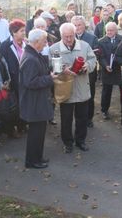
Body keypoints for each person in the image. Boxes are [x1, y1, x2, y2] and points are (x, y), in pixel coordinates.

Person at [49, 23, 96, 153]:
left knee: (82, 118)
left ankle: (81, 140)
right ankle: (67, 142)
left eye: (71, 36)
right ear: (61, 35)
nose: (69, 39)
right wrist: (63, 69)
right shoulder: (54, 48)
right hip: (65, 90)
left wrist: (87, 66)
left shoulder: (85, 46)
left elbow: (93, 60)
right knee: (66, 119)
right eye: (66, 37)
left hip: (82, 87)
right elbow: (50, 66)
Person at [19, 29, 57, 169]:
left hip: (38, 101)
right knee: (36, 134)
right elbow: (30, 82)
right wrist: (50, 78)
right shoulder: (30, 58)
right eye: (43, 41)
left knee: (40, 132)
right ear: (35, 42)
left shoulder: (34, 54)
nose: (45, 43)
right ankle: (32, 161)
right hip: (34, 103)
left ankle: (37, 157)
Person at [72, 16, 99, 128]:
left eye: (79, 25)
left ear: (84, 25)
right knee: (75, 96)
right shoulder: (68, 37)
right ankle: (77, 118)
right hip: (73, 74)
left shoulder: (92, 38)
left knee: (90, 95)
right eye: (75, 25)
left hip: (88, 72)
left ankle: (89, 118)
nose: (77, 27)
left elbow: (96, 54)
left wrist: (86, 63)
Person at [98, 22, 122, 120]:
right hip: (107, 69)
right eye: (107, 30)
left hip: (119, 68)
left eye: (111, 30)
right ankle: (104, 110)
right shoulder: (101, 41)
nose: (109, 32)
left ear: (116, 31)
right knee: (106, 91)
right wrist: (105, 65)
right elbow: (101, 57)